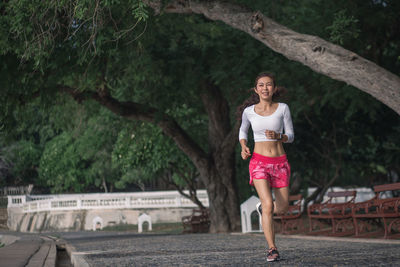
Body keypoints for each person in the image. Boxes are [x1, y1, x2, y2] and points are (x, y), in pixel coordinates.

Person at [238, 72, 294, 262]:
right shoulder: (249, 111)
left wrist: (279, 136)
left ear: (274, 88)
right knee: (269, 205)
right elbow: (243, 130)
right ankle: (272, 248)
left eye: (269, 85)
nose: (265, 88)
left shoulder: (283, 108)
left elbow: (291, 135)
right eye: (261, 85)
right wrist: (244, 146)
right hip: (259, 162)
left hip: (280, 163)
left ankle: (264, 208)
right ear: (256, 89)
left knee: (283, 207)